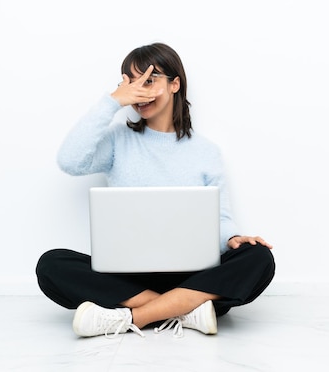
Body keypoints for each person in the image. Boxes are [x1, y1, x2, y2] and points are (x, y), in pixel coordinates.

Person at [36, 42, 276, 339]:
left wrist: (233, 238)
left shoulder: (206, 152)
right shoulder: (117, 142)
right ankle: (187, 309)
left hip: (191, 274)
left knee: (259, 257)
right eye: (131, 82)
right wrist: (112, 102)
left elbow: (220, 216)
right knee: (51, 264)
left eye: (149, 80)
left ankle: (130, 317)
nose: (140, 91)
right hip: (129, 276)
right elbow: (69, 161)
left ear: (175, 84)